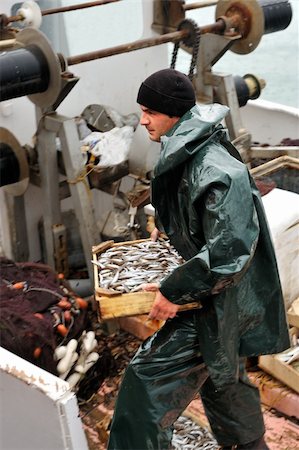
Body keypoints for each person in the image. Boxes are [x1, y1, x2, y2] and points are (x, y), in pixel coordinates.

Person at [107, 69, 290, 450]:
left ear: (173, 113)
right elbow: (202, 219)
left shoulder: (217, 170)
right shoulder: (191, 144)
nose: (142, 121)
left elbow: (228, 250)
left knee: (144, 386)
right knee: (223, 372)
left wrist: (173, 291)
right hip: (222, 294)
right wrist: (170, 228)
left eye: (149, 112)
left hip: (218, 299)